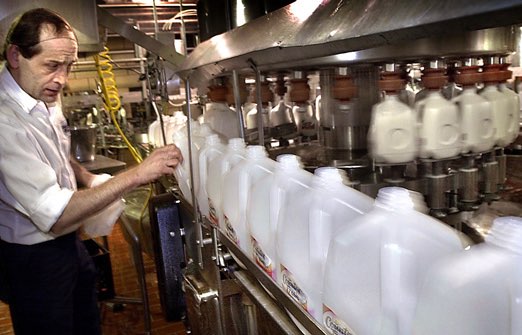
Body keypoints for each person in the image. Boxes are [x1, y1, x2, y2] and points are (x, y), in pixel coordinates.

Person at [0, 8, 183, 335]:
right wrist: (137, 174)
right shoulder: (4, 122)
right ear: (15, 55)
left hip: (69, 244)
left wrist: (85, 178)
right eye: (52, 65)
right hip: (32, 258)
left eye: (69, 66)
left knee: (87, 321)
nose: (63, 79)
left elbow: (55, 155)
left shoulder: (41, 94)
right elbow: (54, 215)